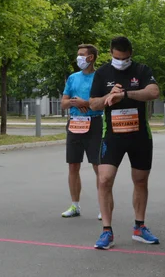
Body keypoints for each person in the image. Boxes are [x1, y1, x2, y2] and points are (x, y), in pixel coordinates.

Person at [89, 37, 160, 250]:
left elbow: (154, 92)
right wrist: (109, 97)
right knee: (104, 180)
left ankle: (139, 227)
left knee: (140, 180)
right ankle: (106, 232)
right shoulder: (102, 73)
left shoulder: (141, 70)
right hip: (112, 135)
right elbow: (93, 103)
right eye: (117, 58)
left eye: (125, 58)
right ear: (110, 53)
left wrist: (125, 94)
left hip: (139, 136)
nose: (121, 61)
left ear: (131, 53)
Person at [59, 44, 104, 220]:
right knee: (73, 165)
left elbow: (104, 101)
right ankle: (75, 205)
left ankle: (103, 206)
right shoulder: (72, 78)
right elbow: (63, 102)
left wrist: (86, 103)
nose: (78, 58)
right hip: (75, 124)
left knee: (98, 166)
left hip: (94, 124)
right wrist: (73, 102)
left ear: (91, 57)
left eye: (82, 55)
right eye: (78, 55)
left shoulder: (100, 77)